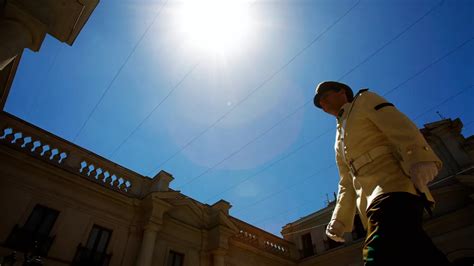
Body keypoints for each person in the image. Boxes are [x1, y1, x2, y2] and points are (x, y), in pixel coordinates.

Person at [313, 81, 451, 265]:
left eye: (325, 96)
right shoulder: (339, 137)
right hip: (369, 203)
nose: (322, 103)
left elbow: (397, 124)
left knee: (377, 253)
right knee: (417, 251)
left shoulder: (364, 100)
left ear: (341, 92)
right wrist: (339, 220)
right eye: (319, 102)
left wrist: (419, 157)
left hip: (393, 186)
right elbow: (346, 181)